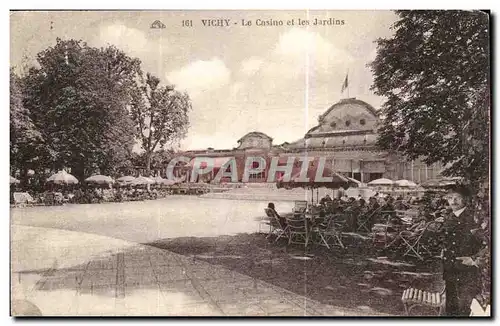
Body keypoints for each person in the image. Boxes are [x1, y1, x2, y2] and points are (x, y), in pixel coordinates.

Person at [438, 185, 483, 316]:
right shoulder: (449, 216)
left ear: (465, 199)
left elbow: (489, 243)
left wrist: (474, 259)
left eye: (457, 198)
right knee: (451, 309)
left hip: (467, 272)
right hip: (450, 269)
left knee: (465, 309)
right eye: (450, 198)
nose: (453, 201)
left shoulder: (474, 218)